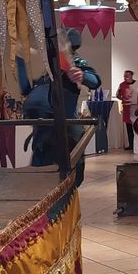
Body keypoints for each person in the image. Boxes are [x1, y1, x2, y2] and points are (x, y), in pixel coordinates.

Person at [21, 28, 101, 186]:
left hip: (65, 129)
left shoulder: (75, 62)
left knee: (68, 174)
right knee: (40, 174)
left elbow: (95, 80)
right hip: (43, 131)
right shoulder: (47, 70)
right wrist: (20, 61)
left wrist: (81, 75)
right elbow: (26, 90)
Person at [116, 70, 138, 150]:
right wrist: (122, 98)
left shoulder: (137, 84)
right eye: (125, 76)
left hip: (135, 107)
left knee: (136, 126)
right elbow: (118, 95)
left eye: (128, 76)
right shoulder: (122, 85)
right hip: (127, 108)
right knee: (129, 127)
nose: (126, 77)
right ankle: (131, 145)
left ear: (132, 76)